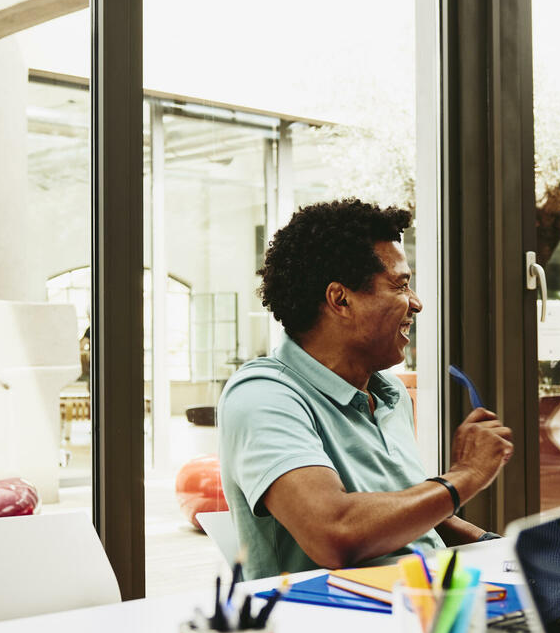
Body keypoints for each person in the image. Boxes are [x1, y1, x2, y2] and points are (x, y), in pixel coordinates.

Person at [218, 198, 513, 580]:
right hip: (333, 626)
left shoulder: (389, 394)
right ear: (340, 300)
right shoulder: (263, 396)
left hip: (424, 607)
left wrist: (498, 546)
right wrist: (467, 474)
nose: (417, 304)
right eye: (401, 285)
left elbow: (403, 515)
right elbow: (334, 533)